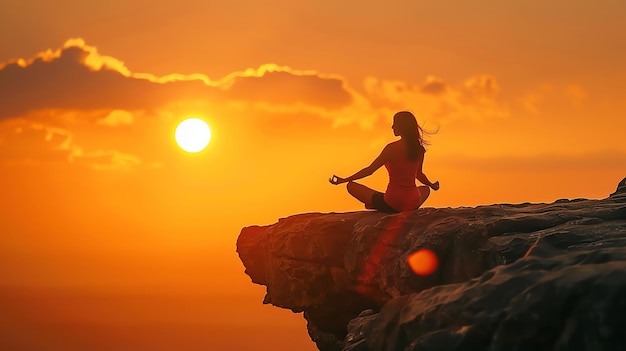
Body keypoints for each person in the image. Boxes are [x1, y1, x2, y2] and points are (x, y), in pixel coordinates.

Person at [329, 111, 439, 213]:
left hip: (393, 202)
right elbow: (419, 174)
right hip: (412, 202)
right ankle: (384, 201)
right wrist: (432, 185)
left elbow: (369, 170)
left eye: (395, 124)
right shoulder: (419, 149)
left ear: (403, 127)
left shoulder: (391, 148)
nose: (392, 127)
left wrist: (344, 180)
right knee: (426, 189)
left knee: (351, 186)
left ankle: (379, 204)